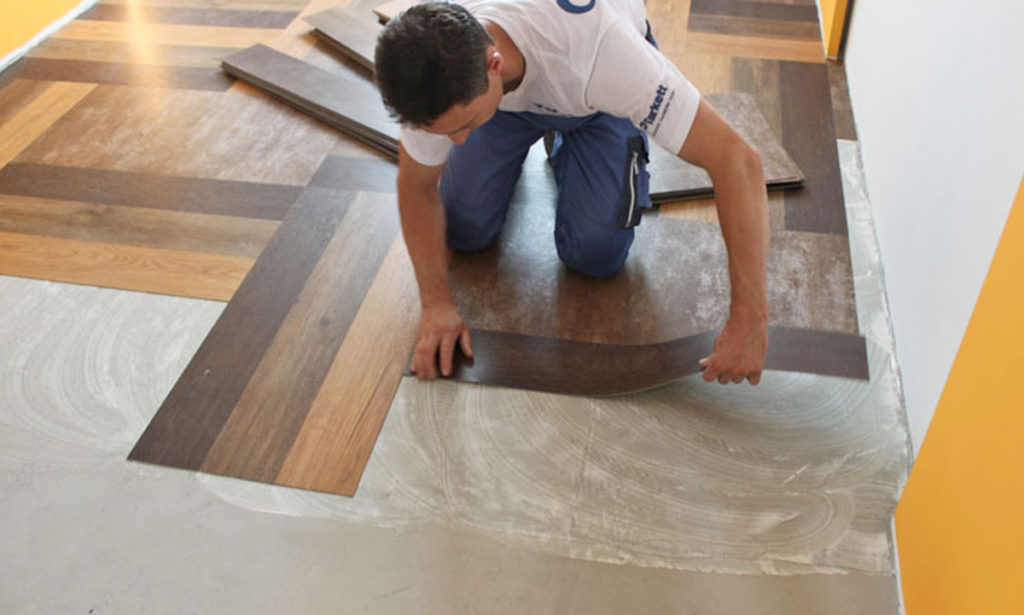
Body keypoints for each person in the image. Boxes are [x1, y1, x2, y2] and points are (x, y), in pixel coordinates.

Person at [374, 0, 769, 385]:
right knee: (461, 228)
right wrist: (436, 304)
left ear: (493, 64)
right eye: (445, 132)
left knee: (596, 253)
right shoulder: (433, 67)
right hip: (507, 105)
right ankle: (536, 136)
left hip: (595, 103)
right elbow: (416, 185)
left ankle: (568, 145)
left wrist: (749, 320)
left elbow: (738, 162)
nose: (458, 142)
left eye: (465, 124)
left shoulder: (608, 55)